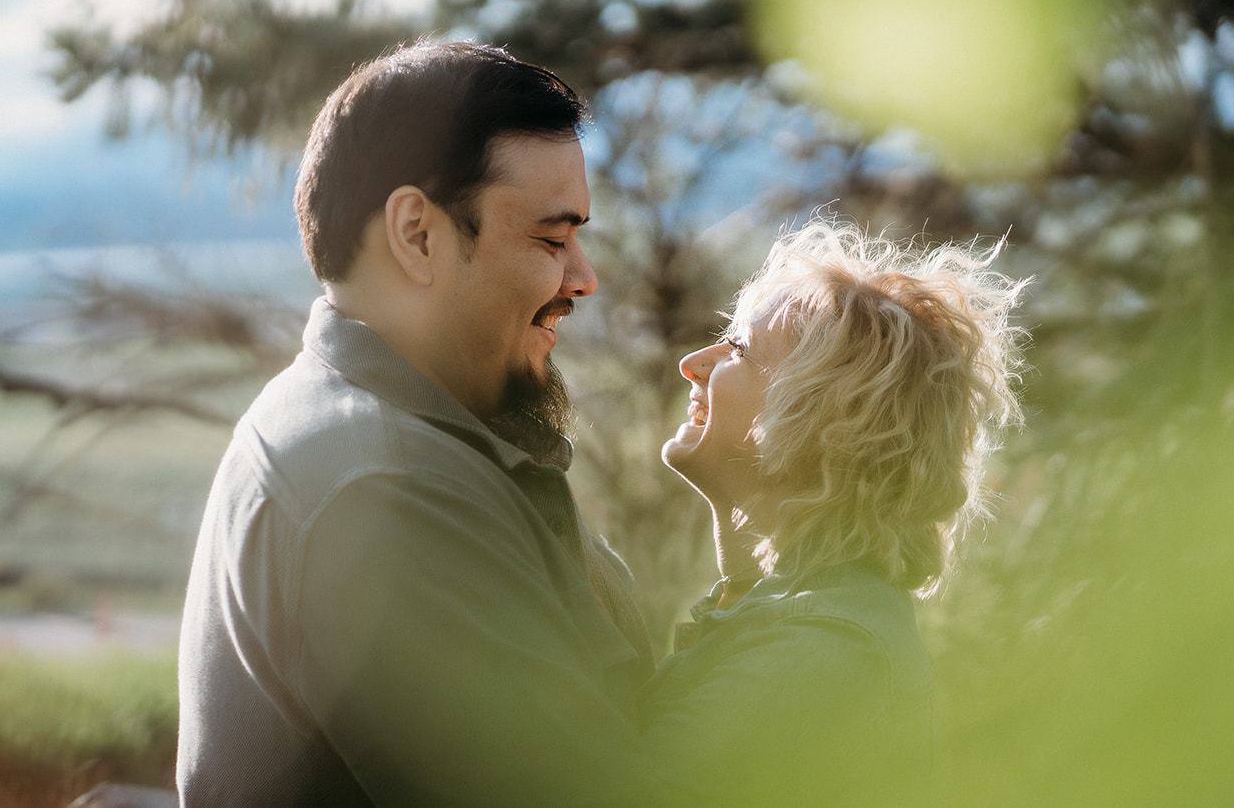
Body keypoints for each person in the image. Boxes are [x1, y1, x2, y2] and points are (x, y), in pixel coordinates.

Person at [177, 42, 674, 807]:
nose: (584, 277)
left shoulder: (425, 441)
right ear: (417, 234)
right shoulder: (385, 489)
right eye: (551, 238)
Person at [640, 218, 1025, 807]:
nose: (694, 363)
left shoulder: (818, 652)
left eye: (740, 348)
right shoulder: (794, 615)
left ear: (821, 420)